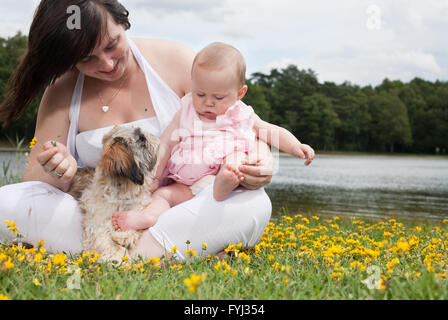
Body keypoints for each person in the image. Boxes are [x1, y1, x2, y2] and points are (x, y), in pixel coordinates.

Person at [0, 0, 274, 261]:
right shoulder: (61, 90)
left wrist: (263, 160)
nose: (107, 64)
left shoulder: (175, 60)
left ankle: (121, 255)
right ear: (69, 60)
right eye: (87, 59)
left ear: (123, 22)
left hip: (171, 211)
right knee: (6, 203)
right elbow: (34, 183)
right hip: (95, 218)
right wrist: (59, 169)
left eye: (111, 44)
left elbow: (244, 122)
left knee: (253, 205)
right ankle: (161, 254)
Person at [112, 42, 315, 232]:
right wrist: (155, 177)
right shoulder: (186, 110)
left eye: (218, 97)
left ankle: (224, 183)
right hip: (187, 184)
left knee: (237, 157)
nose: (208, 103)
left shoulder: (241, 113)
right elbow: (165, 142)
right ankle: (149, 216)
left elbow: (270, 130)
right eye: (200, 94)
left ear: (240, 93)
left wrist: (296, 146)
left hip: (223, 175)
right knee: (164, 195)